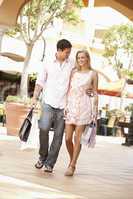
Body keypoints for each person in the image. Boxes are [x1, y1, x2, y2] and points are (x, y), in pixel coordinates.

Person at [32, 39, 74, 173]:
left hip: (64, 105)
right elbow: (40, 82)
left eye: (69, 52)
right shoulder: (47, 63)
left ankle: (50, 163)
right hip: (48, 102)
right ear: (59, 50)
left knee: (58, 136)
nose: (68, 55)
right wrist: (34, 97)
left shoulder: (71, 64)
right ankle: (42, 156)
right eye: (67, 52)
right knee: (43, 128)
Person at [64, 49, 98, 176]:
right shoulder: (73, 72)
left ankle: (72, 165)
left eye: (83, 57)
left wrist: (95, 112)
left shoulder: (93, 74)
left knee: (77, 138)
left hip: (84, 107)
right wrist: (65, 105)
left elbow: (95, 93)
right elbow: (68, 89)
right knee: (67, 138)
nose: (80, 60)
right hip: (71, 106)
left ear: (87, 58)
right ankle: (73, 159)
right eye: (78, 58)